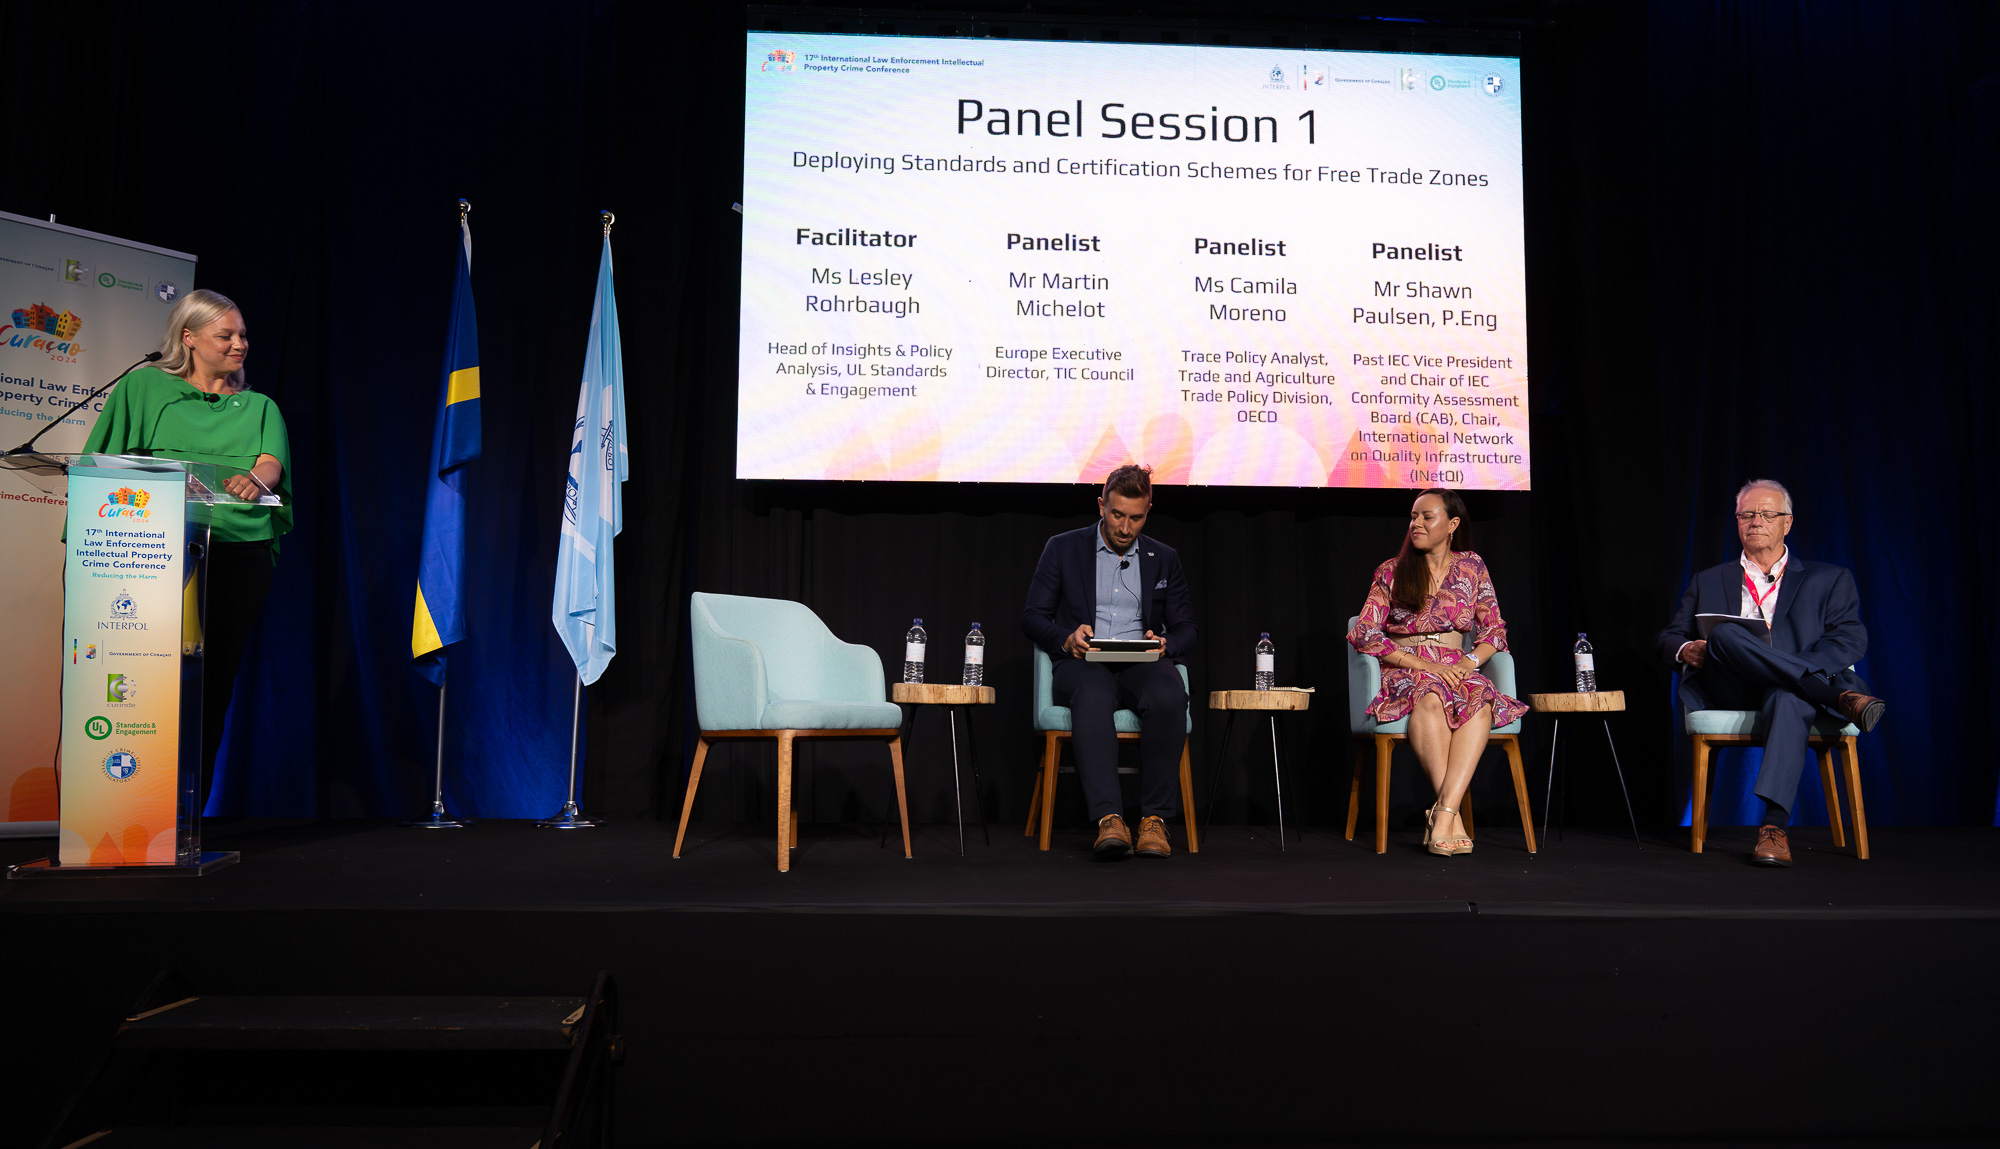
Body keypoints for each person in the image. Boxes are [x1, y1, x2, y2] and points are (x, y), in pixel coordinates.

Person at [81, 289, 292, 810]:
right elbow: (100, 464)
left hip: (237, 551)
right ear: (189, 338)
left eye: (243, 334)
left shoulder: (259, 405)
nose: (240, 343)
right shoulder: (145, 387)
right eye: (227, 335)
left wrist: (253, 477)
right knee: (148, 678)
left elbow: (271, 465)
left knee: (210, 682)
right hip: (149, 553)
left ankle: (183, 810)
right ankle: (124, 803)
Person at [1655, 479, 1884, 867]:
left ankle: (1774, 829)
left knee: (1787, 694)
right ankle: (1837, 697)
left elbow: (1848, 641)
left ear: (1787, 523)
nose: (1755, 521)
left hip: (1792, 696)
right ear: (1738, 521)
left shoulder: (1828, 579)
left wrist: (1792, 673)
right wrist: (1684, 648)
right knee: (1726, 634)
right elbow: (1668, 637)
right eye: (1747, 514)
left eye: (1767, 514)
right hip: (1731, 687)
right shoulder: (1708, 579)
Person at [1021, 464, 1196, 860]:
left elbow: (1188, 629)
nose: (1124, 527)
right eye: (1117, 515)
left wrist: (1165, 642)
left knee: (1170, 693)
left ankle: (1154, 821)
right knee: (1095, 690)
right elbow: (1032, 617)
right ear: (1101, 506)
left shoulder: (1163, 557)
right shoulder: (1063, 547)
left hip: (1140, 662)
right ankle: (1109, 819)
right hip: (1083, 662)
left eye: (1135, 518)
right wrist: (1066, 638)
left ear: (1148, 511)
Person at [1346, 488, 1525, 856]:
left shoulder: (1472, 566)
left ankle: (1442, 813)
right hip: (1407, 669)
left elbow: (1494, 631)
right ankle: (1451, 818)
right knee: (1429, 696)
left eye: (1427, 516)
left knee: (1480, 699)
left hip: (1456, 668)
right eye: (1413, 517)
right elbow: (1364, 632)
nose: (1417, 524)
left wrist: (1468, 661)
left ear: (1452, 524)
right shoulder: (1392, 570)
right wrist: (1423, 664)